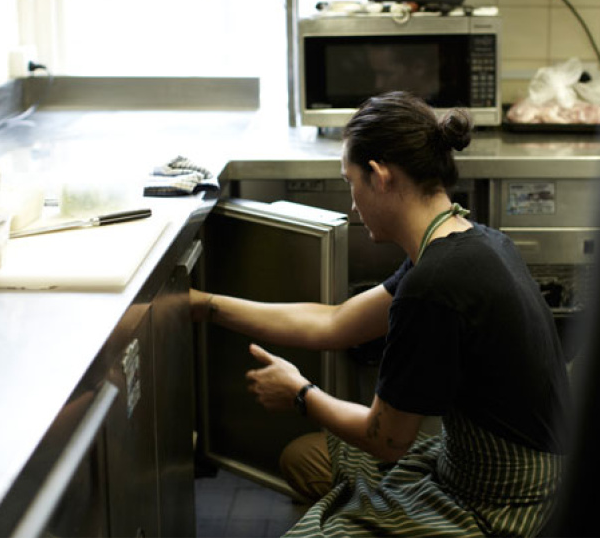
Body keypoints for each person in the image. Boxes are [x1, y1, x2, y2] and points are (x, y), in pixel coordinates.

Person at [190, 91, 571, 537]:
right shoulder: (467, 240)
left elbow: (386, 441)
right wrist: (205, 306)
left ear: (380, 176)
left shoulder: (435, 284)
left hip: (504, 498)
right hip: (462, 462)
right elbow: (335, 322)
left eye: (351, 182)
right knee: (305, 459)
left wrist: (299, 393)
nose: (353, 204)